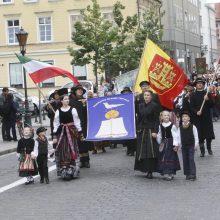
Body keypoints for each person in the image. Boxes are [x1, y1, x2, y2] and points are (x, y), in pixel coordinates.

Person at [53, 94, 82, 180]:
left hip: (71, 132)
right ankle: (64, 170)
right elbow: (56, 124)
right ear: (61, 101)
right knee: (63, 151)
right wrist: (54, 135)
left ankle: (72, 170)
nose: (67, 100)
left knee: (71, 149)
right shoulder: (58, 111)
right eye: (65, 99)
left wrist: (80, 132)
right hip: (62, 133)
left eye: (68, 99)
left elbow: (77, 121)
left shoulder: (73, 110)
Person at [134, 90, 160, 179]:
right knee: (142, 150)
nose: (146, 96)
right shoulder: (140, 105)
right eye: (145, 95)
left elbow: (157, 120)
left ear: (151, 96)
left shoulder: (154, 106)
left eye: (148, 95)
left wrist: (155, 131)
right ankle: (143, 168)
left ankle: (150, 171)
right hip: (142, 130)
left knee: (150, 151)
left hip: (150, 130)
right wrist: (137, 128)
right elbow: (138, 118)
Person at [190, 77, 215, 157]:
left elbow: (212, 105)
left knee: (209, 134)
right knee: (200, 134)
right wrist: (196, 112)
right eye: (198, 83)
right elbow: (191, 107)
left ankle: (209, 148)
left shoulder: (207, 93)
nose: (199, 84)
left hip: (207, 117)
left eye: (201, 83)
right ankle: (202, 151)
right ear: (196, 85)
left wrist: (208, 100)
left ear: (203, 85)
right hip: (197, 118)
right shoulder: (193, 95)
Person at [69, 85, 93, 168]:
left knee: (84, 142)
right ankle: (82, 161)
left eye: (81, 90)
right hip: (75, 124)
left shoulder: (85, 100)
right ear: (75, 91)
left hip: (84, 123)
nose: (80, 91)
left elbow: (90, 110)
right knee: (78, 143)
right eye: (78, 90)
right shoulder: (72, 101)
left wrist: (86, 104)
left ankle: (86, 160)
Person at [157, 111, 181, 180]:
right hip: (163, 144)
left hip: (170, 144)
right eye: (165, 115)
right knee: (164, 157)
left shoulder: (172, 125)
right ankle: (165, 172)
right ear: (162, 117)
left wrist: (175, 145)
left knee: (170, 157)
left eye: (167, 115)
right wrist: (159, 140)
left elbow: (175, 136)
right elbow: (159, 134)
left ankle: (171, 172)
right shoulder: (160, 125)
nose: (166, 117)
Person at [178, 111, 198, 181]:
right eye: (183, 117)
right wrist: (179, 145)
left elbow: (196, 136)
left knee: (191, 159)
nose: (184, 118)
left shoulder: (193, 126)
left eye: (186, 116)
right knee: (185, 159)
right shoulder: (180, 128)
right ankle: (187, 174)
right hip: (184, 146)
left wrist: (196, 144)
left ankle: (193, 174)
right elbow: (179, 137)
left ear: (189, 118)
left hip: (191, 145)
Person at [121, 87, 136, 156]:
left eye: (127, 91)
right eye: (124, 92)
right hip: (124, 119)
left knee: (132, 136)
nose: (126, 93)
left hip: (132, 119)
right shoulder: (120, 100)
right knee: (126, 136)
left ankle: (132, 150)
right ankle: (128, 149)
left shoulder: (132, 99)